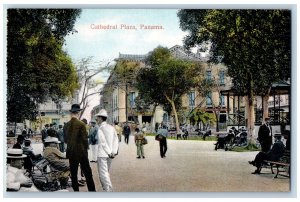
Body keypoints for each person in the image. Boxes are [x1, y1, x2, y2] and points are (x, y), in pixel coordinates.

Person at [64, 104, 96, 192]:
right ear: (78, 113)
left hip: (71, 152)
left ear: (71, 113)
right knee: (87, 173)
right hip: (81, 152)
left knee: (73, 174)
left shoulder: (66, 125)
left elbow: (65, 140)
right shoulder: (81, 124)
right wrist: (86, 150)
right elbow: (85, 140)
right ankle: (92, 192)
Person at [95, 109, 119, 192]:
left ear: (101, 118)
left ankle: (108, 190)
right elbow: (116, 140)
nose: (96, 119)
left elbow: (103, 142)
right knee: (106, 173)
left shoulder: (100, 129)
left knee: (103, 173)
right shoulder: (111, 128)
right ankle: (108, 189)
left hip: (102, 154)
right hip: (110, 154)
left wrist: (109, 152)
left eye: (97, 118)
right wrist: (113, 152)